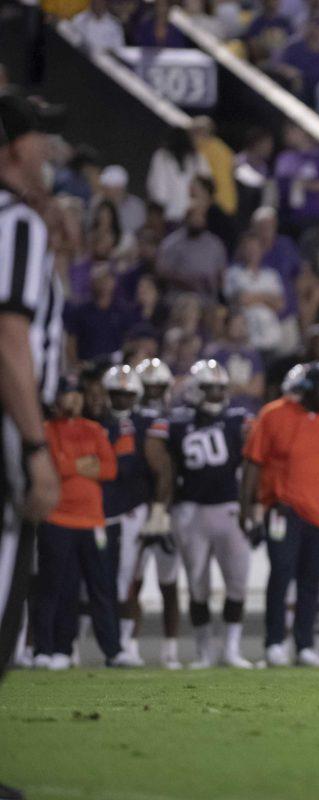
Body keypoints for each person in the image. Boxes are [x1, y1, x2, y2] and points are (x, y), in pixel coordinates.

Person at [0, 94, 66, 800]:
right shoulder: (14, 222)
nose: (49, 153)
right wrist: (33, 444)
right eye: (41, 139)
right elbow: (10, 337)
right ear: (15, 147)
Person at [241, 361, 319, 667]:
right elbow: (253, 463)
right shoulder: (274, 415)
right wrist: (246, 506)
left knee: (311, 582)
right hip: (284, 509)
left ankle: (304, 644)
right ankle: (273, 642)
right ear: (308, 388)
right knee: (281, 574)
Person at [146, 360, 254, 668]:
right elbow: (160, 461)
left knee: (237, 582)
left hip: (229, 508)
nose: (217, 394)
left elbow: (254, 463)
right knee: (197, 585)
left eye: (221, 387)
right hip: (190, 510)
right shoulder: (176, 421)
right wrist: (160, 513)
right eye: (210, 388)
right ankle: (204, 650)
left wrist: (255, 507)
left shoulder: (238, 418)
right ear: (195, 389)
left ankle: (232, 648)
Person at [35, 375, 128, 668]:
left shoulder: (94, 429)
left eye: (78, 394)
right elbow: (55, 466)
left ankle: (113, 650)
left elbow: (111, 469)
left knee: (102, 587)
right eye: (68, 394)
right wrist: (84, 464)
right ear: (57, 399)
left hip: (92, 519)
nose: (74, 400)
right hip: (58, 517)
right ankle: (48, 650)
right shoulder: (45, 431)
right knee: (57, 588)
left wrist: (72, 464)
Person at [99, 365, 180, 669]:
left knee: (128, 579)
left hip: (133, 509)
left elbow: (163, 470)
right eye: (116, 394)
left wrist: (158, 511)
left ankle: (126, 644)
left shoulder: (147, 423)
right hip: (97, 509)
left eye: (127, 394)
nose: (121, 399)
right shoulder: (95, 420)